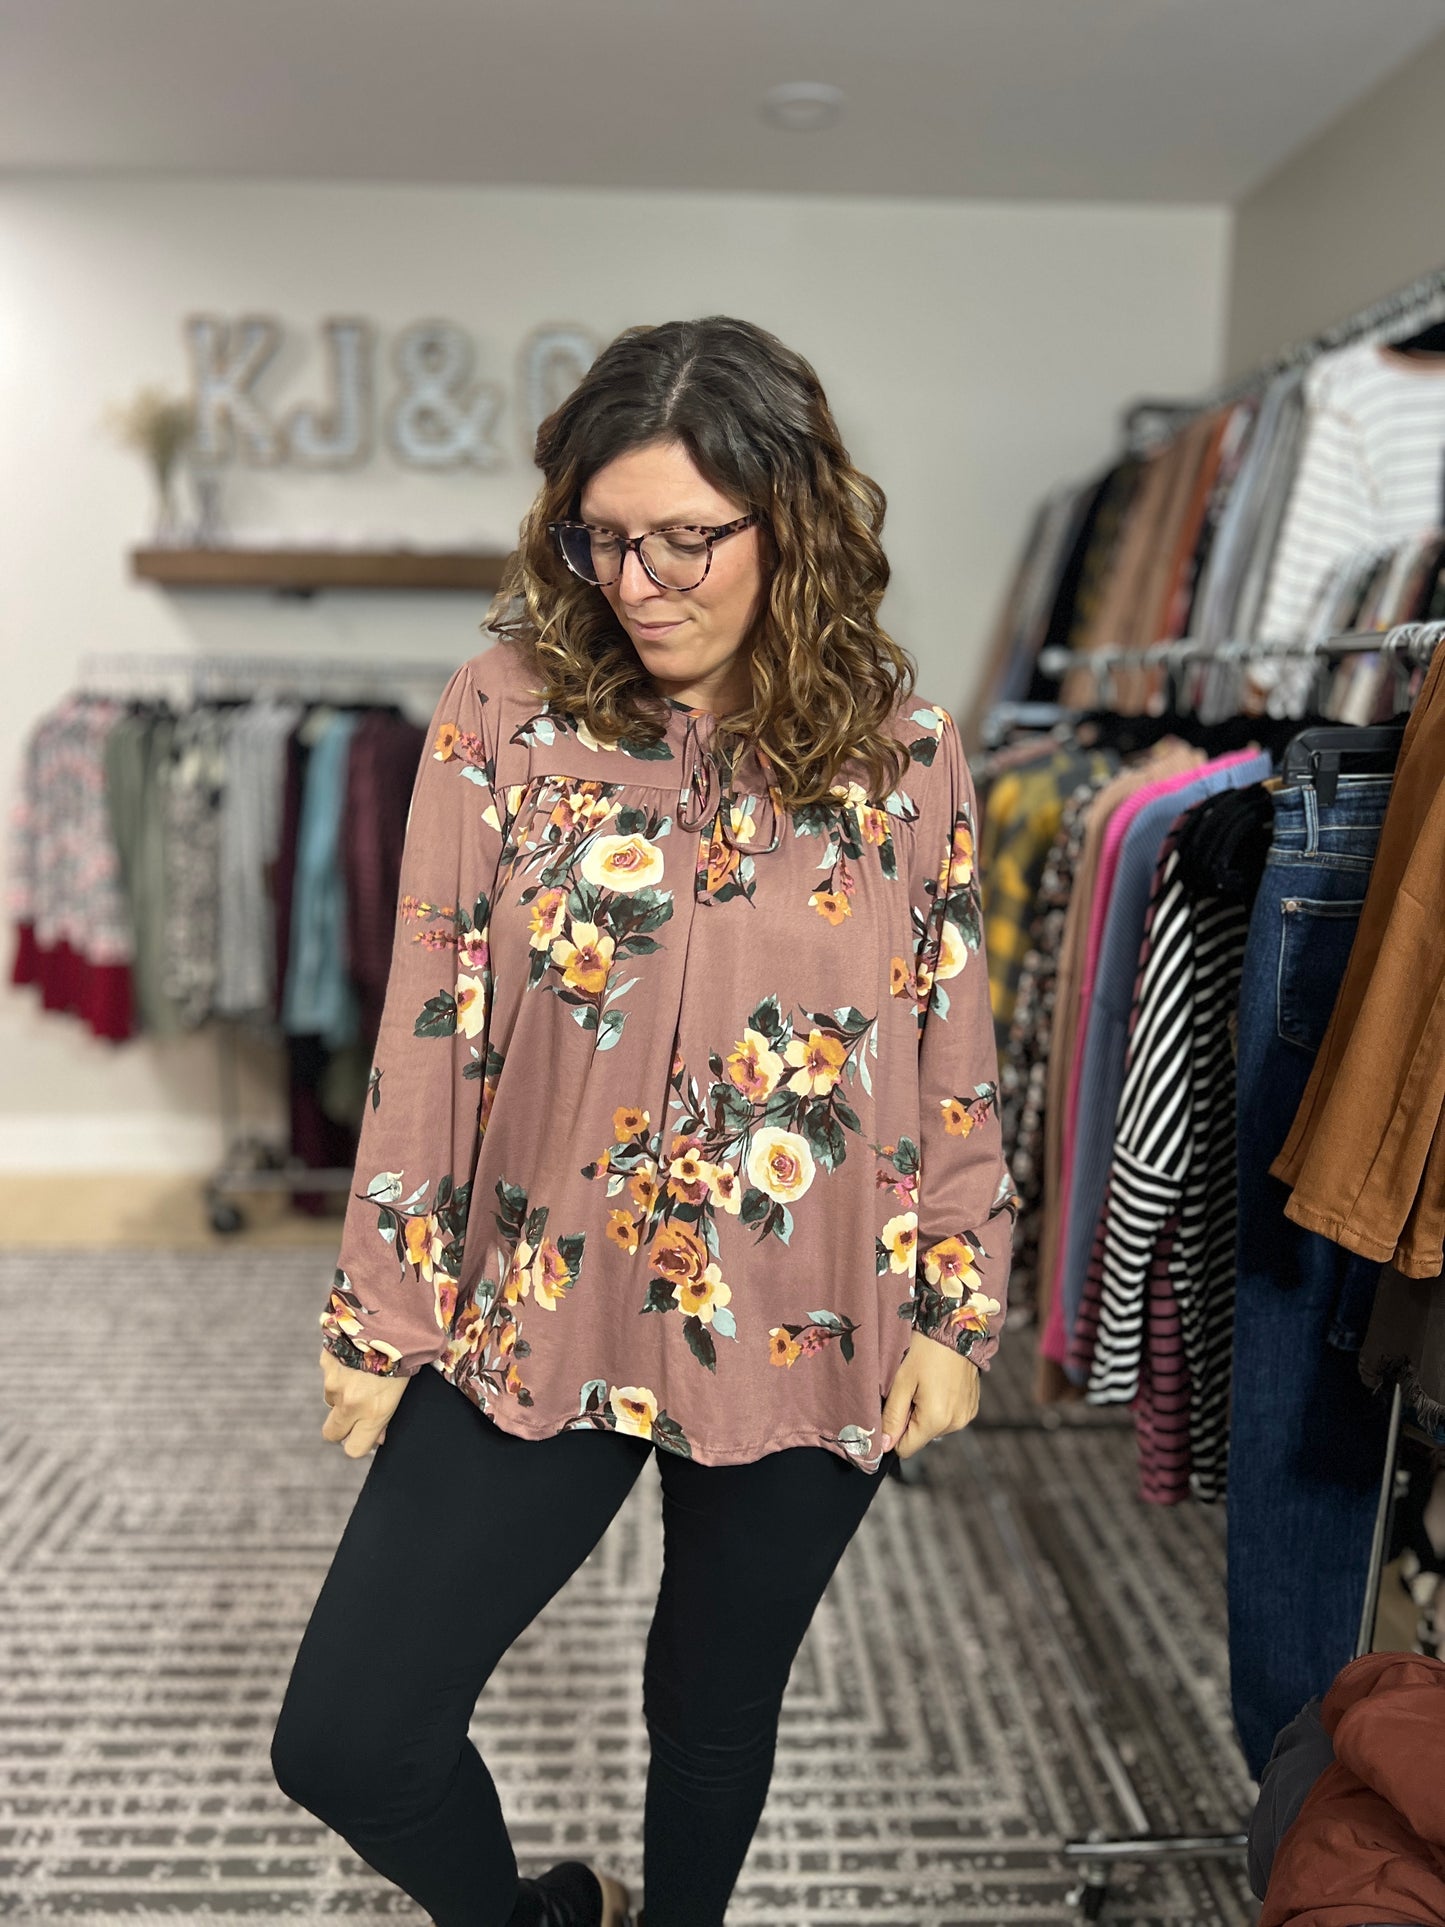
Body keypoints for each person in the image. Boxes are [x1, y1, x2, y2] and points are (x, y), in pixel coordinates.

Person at [270, 315, 1014, 1927]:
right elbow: (430, 1026)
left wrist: (956, 1297)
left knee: (711, 1709)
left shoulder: (903, 755)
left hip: (808, 1301)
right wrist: (378, 1308)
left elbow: (951, 1038)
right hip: (538, 1300)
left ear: (790, 522)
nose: (642, 579)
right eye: (605, 538)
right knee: (347, 1736)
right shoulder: (507, 717)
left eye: (688, 537)